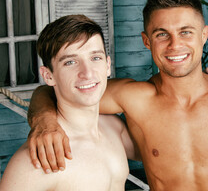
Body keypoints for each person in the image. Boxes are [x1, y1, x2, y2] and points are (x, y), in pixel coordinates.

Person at [27, 0, 208, 191]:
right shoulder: (133, 98)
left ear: (204, 35)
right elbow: (52, 91)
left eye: (186, 32)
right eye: (162, 34)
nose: (175, 45)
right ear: (146, 41)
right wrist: (44, 121)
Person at [0, 15, 138, 190]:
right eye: (70, 62)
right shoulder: (36, 160)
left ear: (108, 65)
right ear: (48, 75)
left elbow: (162, 154)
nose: (87, 73)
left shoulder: (114, 128)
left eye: (95, 58)